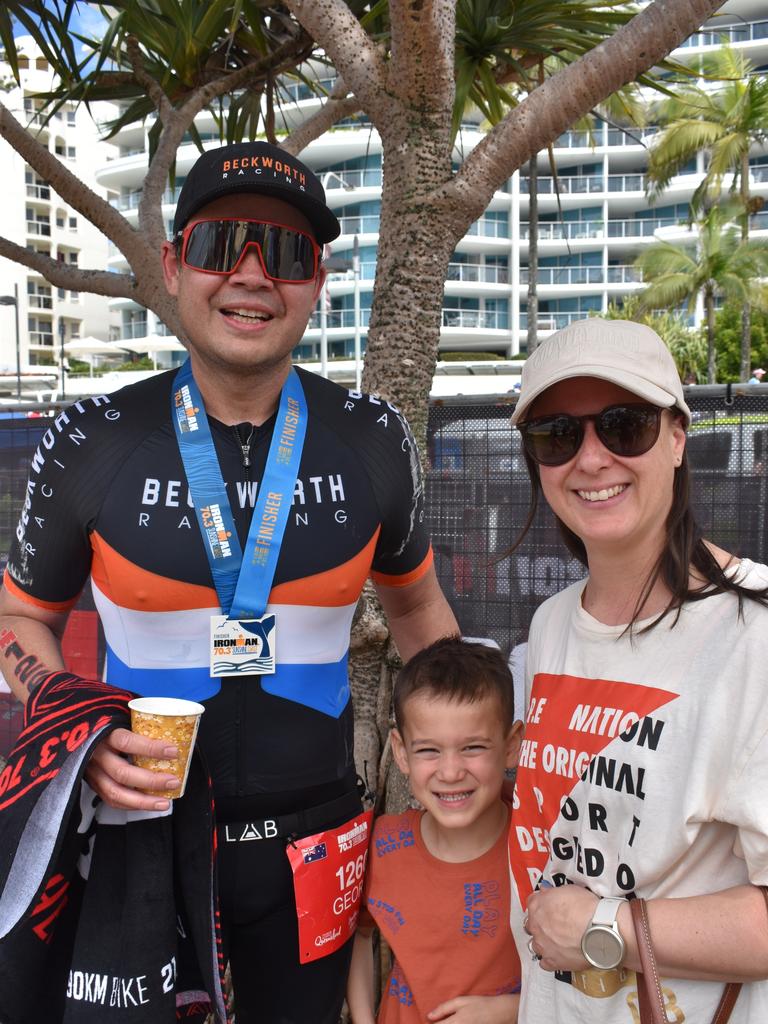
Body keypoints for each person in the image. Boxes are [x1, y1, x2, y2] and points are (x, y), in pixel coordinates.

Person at [0, 141, 458, 1024]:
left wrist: (477, 765)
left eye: (284, 254)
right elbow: (21, 613)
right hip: (139, 830)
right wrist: (71, 732)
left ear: (316, 281)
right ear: (174, 266)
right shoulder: (92, 436)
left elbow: (419, 613)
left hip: (316, 841)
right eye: (221, 246)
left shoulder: (372, 437)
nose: (252, 276)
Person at [507, 317, 768, 1023]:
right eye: (557, 435)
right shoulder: (552, 624)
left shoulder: (756, 633)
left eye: (625, 426)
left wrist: (603, 929)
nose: (590, 459)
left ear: (679, 438)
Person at [346, 637, 523, 1024]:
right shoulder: (380, 847)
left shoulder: (537, 850)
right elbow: (356, 937)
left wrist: (509, 1011)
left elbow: (583, 975)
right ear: (401, 751)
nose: (450, 772)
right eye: (429, 750)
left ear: (512, 746)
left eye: (473, 747)